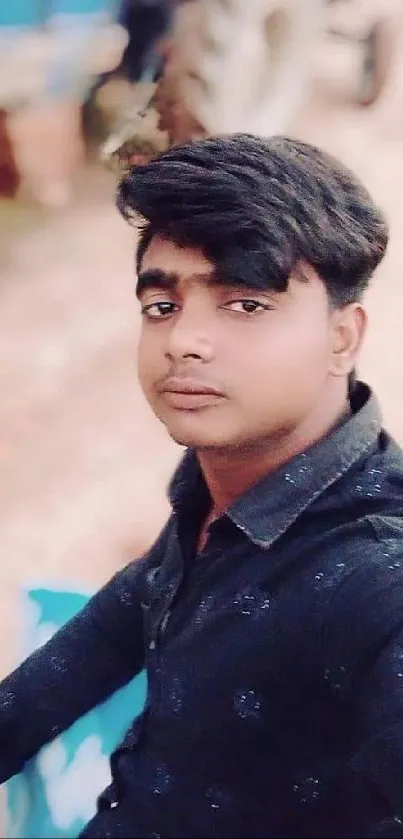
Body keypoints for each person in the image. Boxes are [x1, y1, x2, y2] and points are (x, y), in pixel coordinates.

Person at [1, 133, 403, 839]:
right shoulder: (219, 496)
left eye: (244, 303)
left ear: (344, 335)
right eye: (162, 305)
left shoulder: (379, 581)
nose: (184, 339)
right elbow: (95, 645)